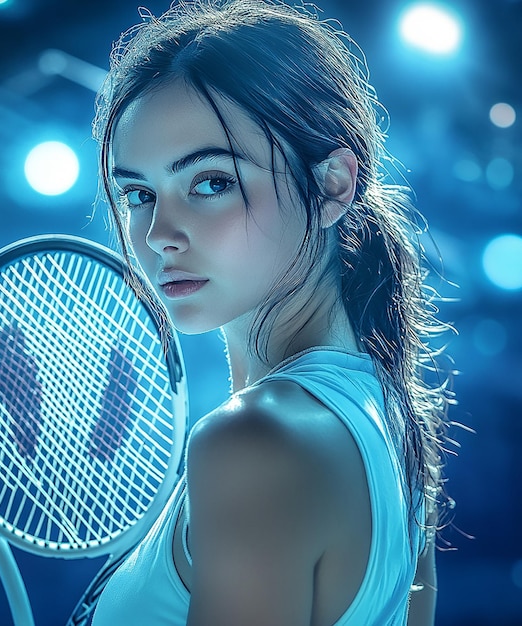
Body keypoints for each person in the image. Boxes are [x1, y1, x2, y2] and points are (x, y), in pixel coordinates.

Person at [91, 0, 455, 624]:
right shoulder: (392, 425)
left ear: (334, 183)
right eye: (139, 193)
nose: (157, 233)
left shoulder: (254, 444)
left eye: (210, 182)